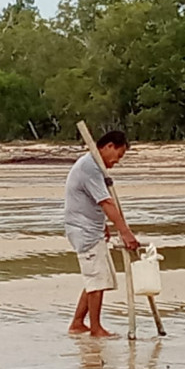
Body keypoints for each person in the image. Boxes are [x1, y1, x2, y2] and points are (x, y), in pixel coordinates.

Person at [64, 130, 139, 338]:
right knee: (96, 280)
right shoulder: (90, 167)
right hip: (83, 230)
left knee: (96, 278)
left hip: (90, 227)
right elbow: (105, 202)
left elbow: (93, 201)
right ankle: (95, 328)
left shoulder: (94, 166)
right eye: (118, 155)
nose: (117, 161)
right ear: (108, 147)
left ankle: (78, 322)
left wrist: (104, 224)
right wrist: (125, 232)